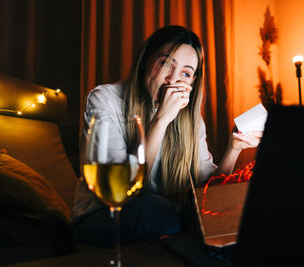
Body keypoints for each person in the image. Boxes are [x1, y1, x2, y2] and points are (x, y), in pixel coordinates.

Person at [71, 25, 261, 247]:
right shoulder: (105, 100)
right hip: (102, 216)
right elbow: (121, 190)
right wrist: (161, 120)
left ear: (192, 81)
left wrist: (234, 148)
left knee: (237, 207)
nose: (172, 80)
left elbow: (208, 194)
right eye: (166, 63)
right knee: (158, 209)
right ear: (145, 61)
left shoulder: (190, 118)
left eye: (186, 73)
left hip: (163, 218)